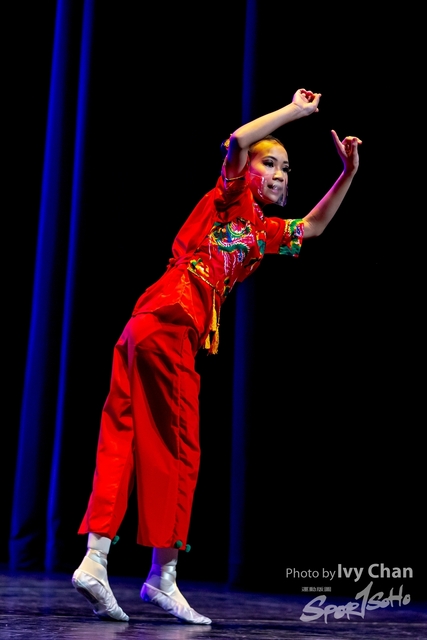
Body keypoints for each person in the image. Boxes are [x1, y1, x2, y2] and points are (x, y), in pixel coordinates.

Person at [72, 88, 362, 624]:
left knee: (124, 434)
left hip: (146, 324)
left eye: (286, 169)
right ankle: (162, 576)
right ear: (246, 172)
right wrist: (295, 112)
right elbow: (236, 140)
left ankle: (95, 558)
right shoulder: (230, 198)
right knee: (181, 449)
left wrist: (347, 173)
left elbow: (313, 227)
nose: (280, 175)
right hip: (171, 322)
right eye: (270, 163)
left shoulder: (263, 231)